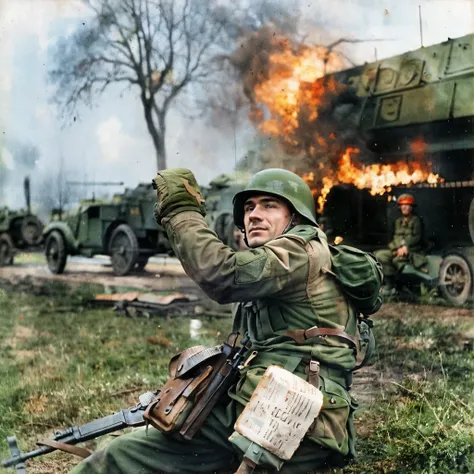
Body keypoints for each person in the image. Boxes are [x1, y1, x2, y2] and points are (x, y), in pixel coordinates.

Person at [71, 168, 361, 474]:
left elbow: (222, 274)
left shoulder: (301, 252)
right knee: (119, 455)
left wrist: (181, 209)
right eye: (249, 208)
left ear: (297, 218)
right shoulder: (276, 262)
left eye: (269, 205)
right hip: (249, 413)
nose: (254, 215)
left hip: (296, 425)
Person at [375, 193, 427, 295]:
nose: (405, 207)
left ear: (411, 207)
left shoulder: (416, 221)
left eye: (407, 205)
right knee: (379, 255)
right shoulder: (398, 221)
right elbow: (394, 237)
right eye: (402, 205)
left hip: (411, 251)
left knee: (397, 261)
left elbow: (416, 237)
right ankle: (389, 286)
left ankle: (401, 288)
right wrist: (397, 248)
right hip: (397, 250)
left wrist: (405, 247)